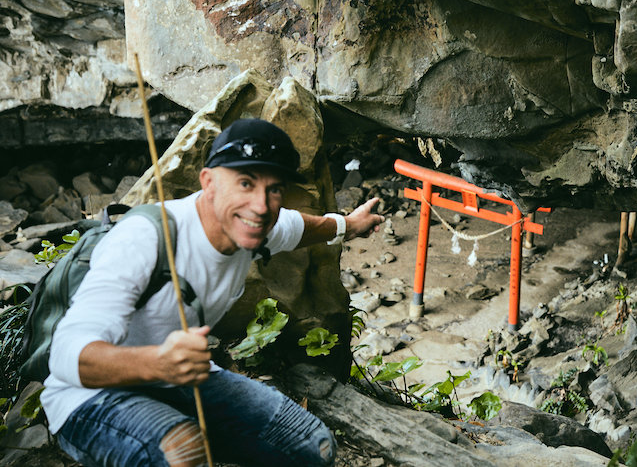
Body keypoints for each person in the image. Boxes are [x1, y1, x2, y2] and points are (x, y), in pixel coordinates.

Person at [40, 118, 384, 466]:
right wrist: (159, 364)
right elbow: (66, 356)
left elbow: (299, 227)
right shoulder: (145, 237)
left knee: (316, 446)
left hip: (178, 380)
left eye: (274, 188)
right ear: (208, 182)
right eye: (245, 183)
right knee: (183, 452)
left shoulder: (255, 224)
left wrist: (350, 224)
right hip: (90, 397)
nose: (261, 205)